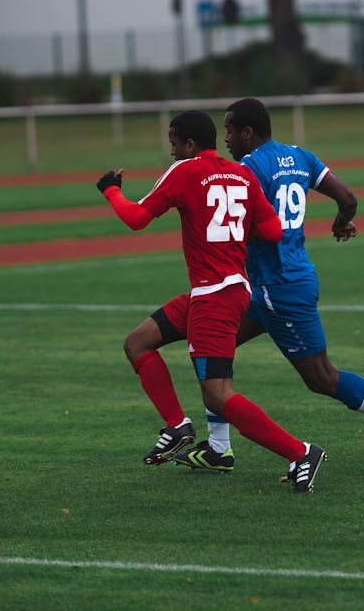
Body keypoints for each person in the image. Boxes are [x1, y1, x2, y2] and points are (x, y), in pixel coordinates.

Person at [171, 97, 364, 475]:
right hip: (272, 284)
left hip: (277, 286)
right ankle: (219, 448)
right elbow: (348, 198)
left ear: (247, 133)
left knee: (322, 378)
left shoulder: (247, 168)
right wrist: (340, 222)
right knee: (214, 350)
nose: (227, 139)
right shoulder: (300, 156)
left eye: (231, 131)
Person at [96, 110, 325, 493]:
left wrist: (110, 190)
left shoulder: (185, 171)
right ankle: (177, 426)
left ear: (188, 144)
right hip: (226, 290)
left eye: (173, 144)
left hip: (213, 298)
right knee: (137, 342)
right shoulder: (243, 174)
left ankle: (300, 452)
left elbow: (136, 218)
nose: (171, 152)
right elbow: (271, 230)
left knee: (218, 396)